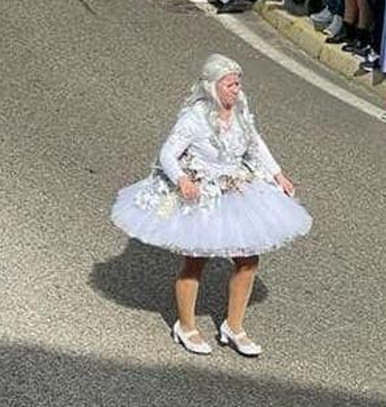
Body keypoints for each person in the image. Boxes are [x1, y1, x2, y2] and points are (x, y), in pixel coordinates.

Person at [111, 55, 309, 357]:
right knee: (196, 260)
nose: (235, 89)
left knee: (248, 259)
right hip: (202, 193)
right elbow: (167, 153)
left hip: (235, 188)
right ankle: (186, 326)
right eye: (229, 84)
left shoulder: (240, 110)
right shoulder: (195, 118)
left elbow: (255, 145)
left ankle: (234, 326)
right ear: (212, 86)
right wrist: (182, 180)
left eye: (237, 83)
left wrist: (277, 174)